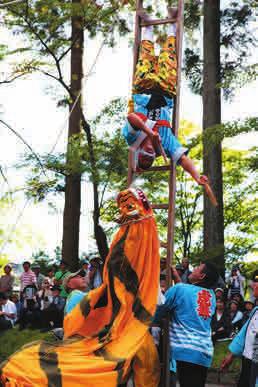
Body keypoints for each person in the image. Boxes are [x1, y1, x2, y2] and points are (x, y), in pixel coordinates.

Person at [122, 9, 209, 191]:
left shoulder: (132, 139)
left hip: (143, 89)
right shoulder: (165, 142)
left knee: (145, 57)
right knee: (168, 58)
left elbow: (131, 118)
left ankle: (147, 25)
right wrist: (196, 176)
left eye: (145, 156)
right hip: (165, 92)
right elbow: (182, 158)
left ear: (138, 152)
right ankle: (171, 24)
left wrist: (147, 131)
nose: (150, 153)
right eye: (151, 157)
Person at [154, 261, 219, 387]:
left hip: (186, 350)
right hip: (204, 351)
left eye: (197, 268)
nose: (193, 269)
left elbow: (159, 311)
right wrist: (177, 278)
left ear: (202, 276)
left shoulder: (179, 289)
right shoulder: (211, 296)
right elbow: (188, 295)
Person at [221, 280, 258, 387]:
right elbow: (244, 334)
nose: (254, 285)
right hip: (248, 363)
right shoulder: (255, 311)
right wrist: (231, 355)